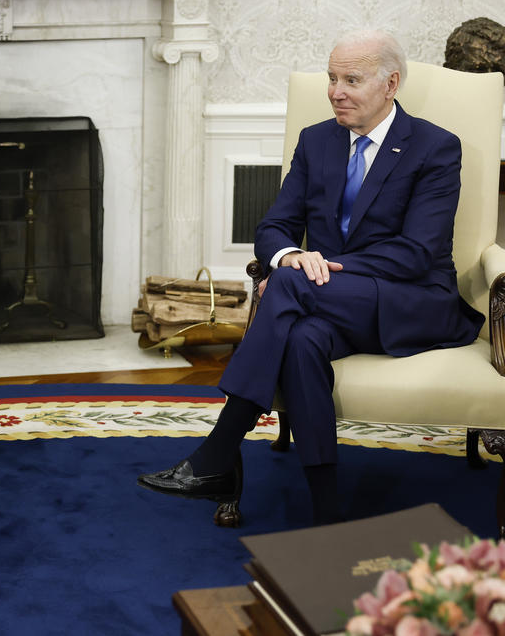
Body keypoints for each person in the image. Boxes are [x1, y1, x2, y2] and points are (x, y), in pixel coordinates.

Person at [137, 30, 484, 524]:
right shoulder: (316, 140)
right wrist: (287, 256)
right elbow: (275, 226)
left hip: (412, 301)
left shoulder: (434, 147)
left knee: (290, 283)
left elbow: (416, 253)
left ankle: (218, 452)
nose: (335, 91)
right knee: (301, 338)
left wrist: (312, 267)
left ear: (391, 83)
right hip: (329, 303)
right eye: (331, 77)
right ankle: (326, 510)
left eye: (351, 79)